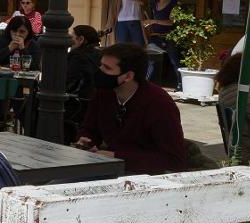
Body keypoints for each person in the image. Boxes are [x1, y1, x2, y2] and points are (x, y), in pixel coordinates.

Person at [77, 43, 188, 174]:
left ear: (128, 76)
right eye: (100, 65)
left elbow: (173, 160)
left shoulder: (159, 103)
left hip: (145, 176)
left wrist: (117, 156)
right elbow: (90, 128)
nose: (100, 71)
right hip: (110, 168)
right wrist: (85, 140)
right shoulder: (104, 93)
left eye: (107, 68)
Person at [144, 0, 181, 89]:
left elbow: (171, 22)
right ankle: (147, 84)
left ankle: (180, 84)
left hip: (169, 36)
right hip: (155, 36)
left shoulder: (174, 4)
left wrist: (154, 21)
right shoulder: (154, 4)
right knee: (150, 60)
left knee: (174, 61)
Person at [67, 25, 103, 102]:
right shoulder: (100, 54)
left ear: (81, 39)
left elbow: (69, 84)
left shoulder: (78, 57)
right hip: (95, 100)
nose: (69, 41)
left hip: (78, 103)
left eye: (72, 37)